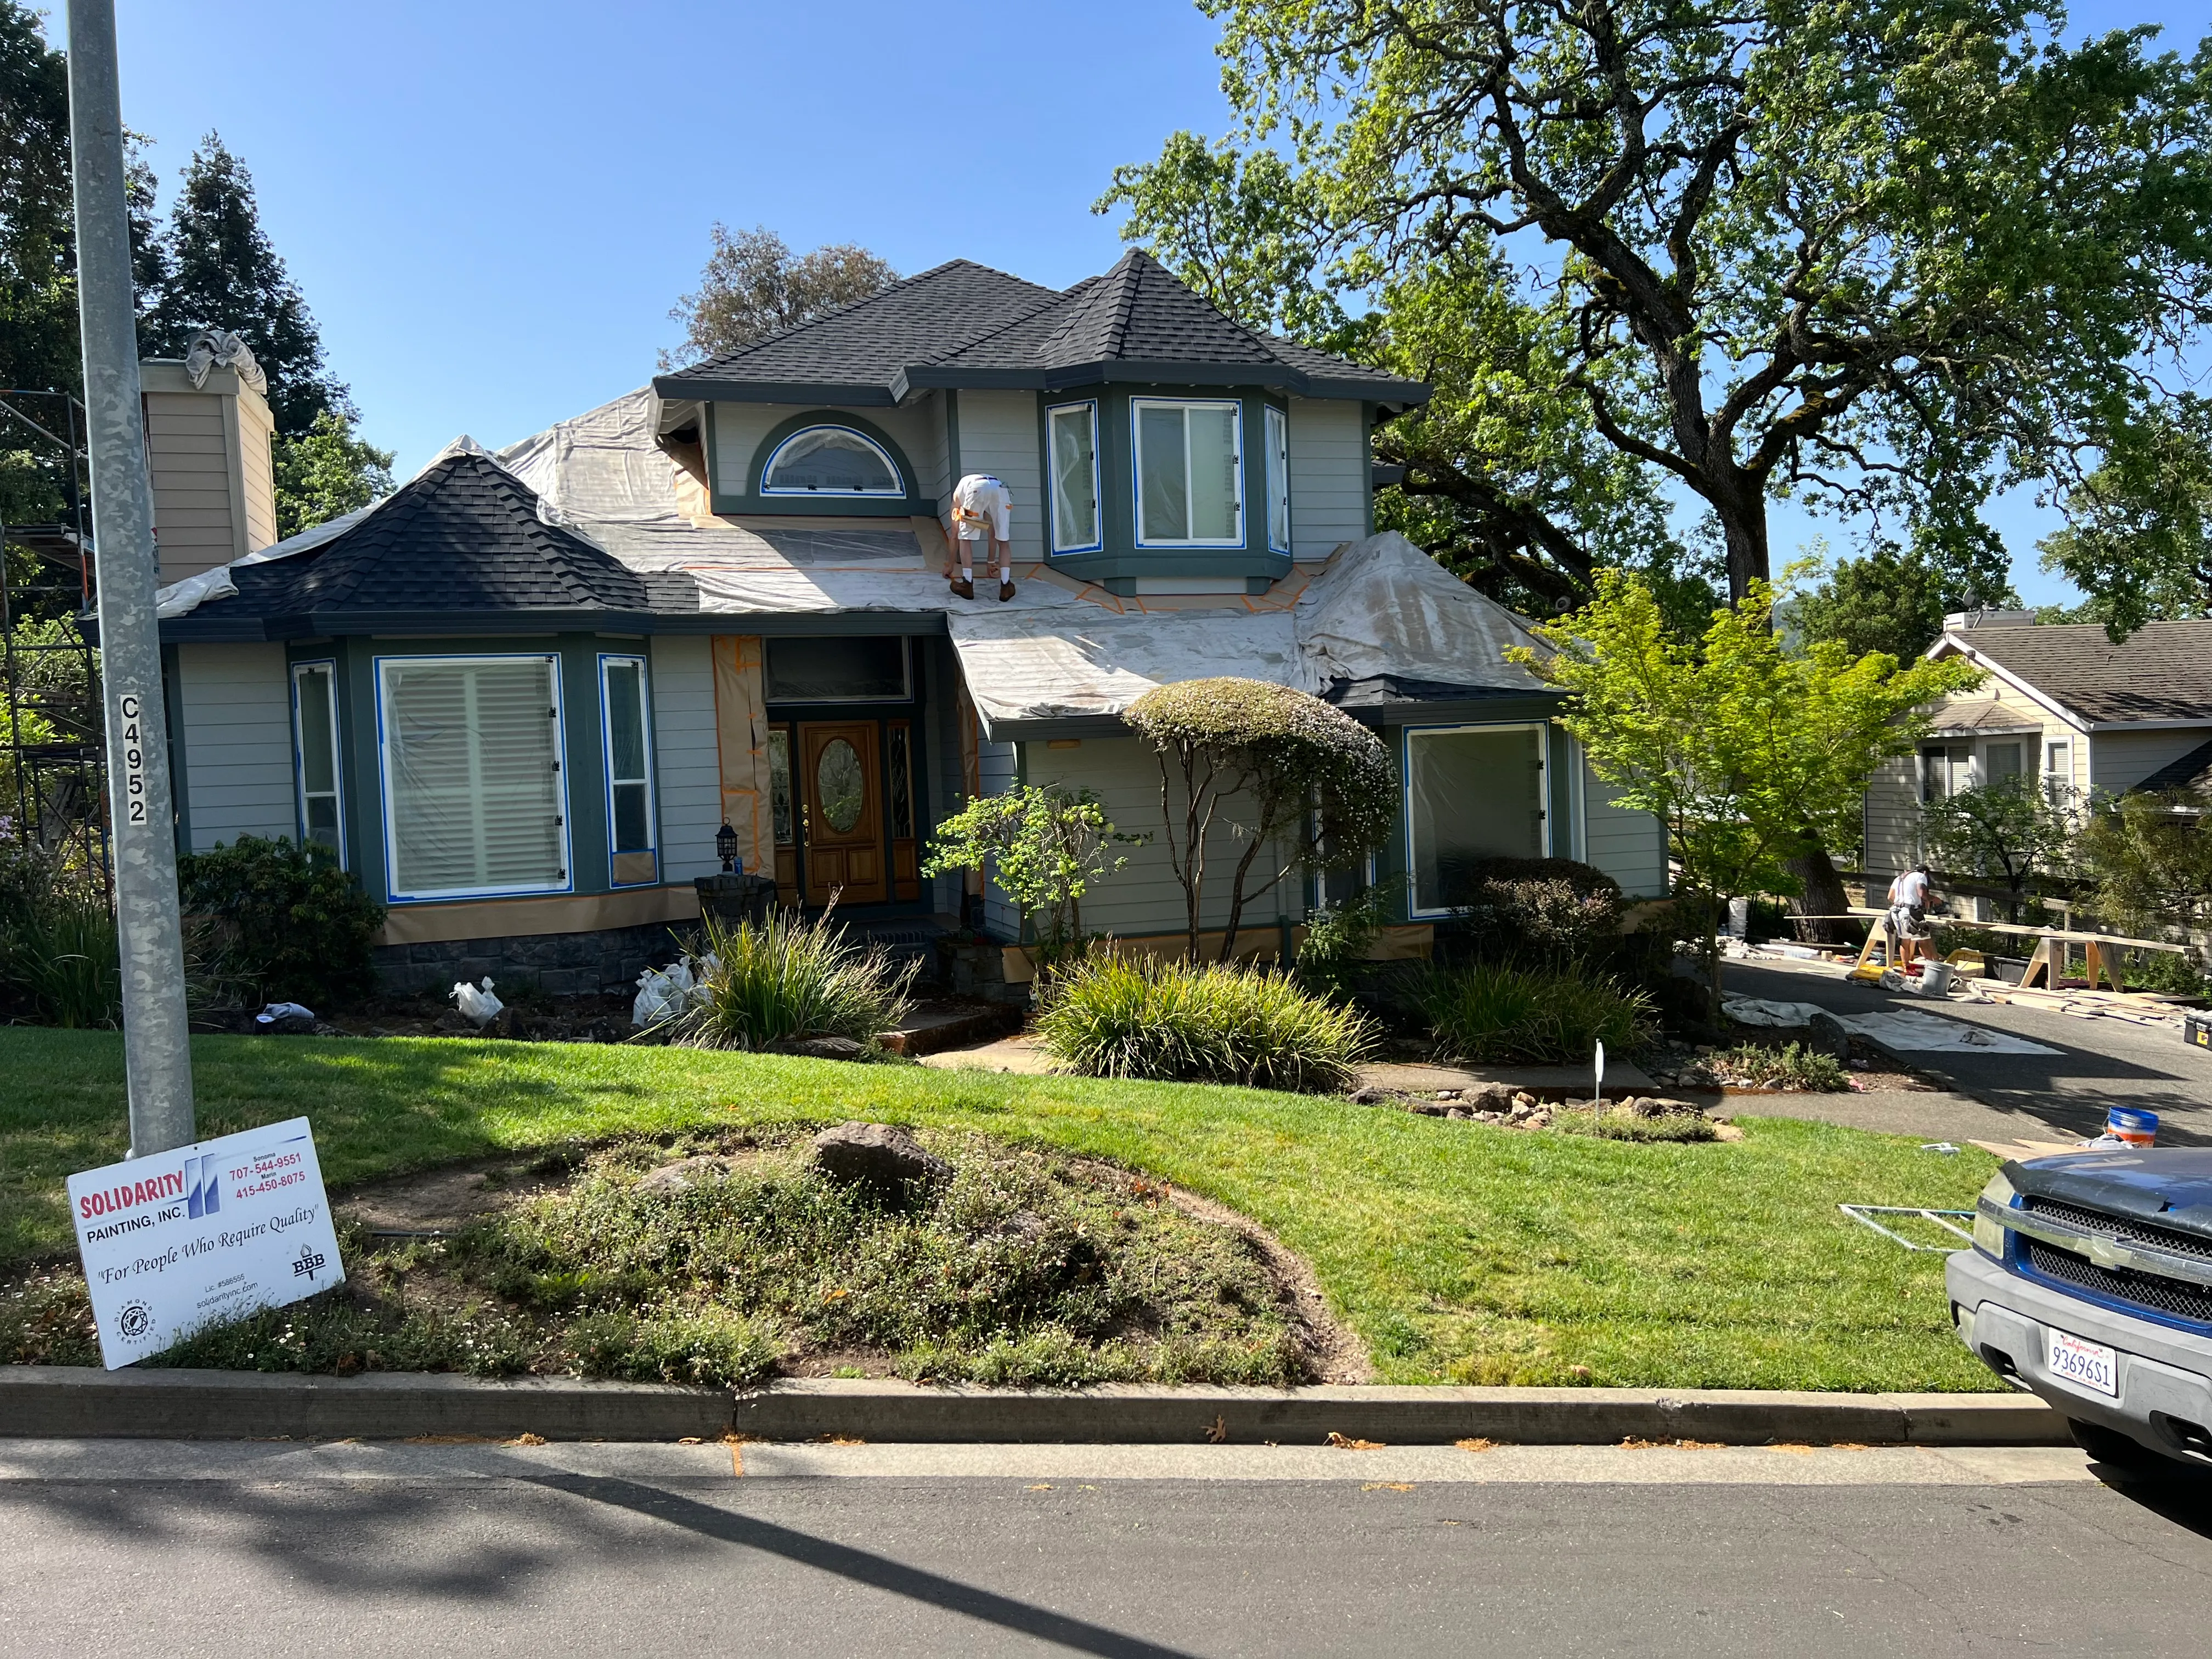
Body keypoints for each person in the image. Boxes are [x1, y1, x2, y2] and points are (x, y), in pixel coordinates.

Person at [948, 472, 1015, 601]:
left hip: (977, 489)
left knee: (965, 538)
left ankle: (967, 584)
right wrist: (990, 563)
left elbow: (955, 536)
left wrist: (950, 565)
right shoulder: (971, 487)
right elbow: (992, 532)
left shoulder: (957, 498)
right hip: (1000, 488)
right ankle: (1006, 586)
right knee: (1004, 540)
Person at [1885, 862, 1939, 967]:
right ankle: (1932, 968)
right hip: (1911, 913)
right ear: (1925, 873)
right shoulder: (1921, 876)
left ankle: (1906, 968)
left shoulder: (1900, 878)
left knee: (1905, 941)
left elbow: (1890, 896)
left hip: (1896, 912)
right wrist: (1934, 899)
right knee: (1923, 940)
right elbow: (1922, 894)